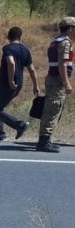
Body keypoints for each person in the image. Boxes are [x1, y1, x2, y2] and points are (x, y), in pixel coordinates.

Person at [0, 26, 38, 141]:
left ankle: (20, 125)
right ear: (20, 37)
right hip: (19, 84)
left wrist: (10, 81)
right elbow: (31, 69)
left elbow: (11, 63)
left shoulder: (8, 48)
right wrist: (36, 85)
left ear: (8, 36)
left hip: (8, 84)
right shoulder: (26, 50)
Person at [36, 16, 75, 153]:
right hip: (57, 80)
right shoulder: (65, 42)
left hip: (52, 78)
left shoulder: (55, 41)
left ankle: (46, 139)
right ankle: (44, 142)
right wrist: (67, 82)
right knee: (53, 109)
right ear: (70, 29)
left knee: (51, 108)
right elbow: (62, 64)